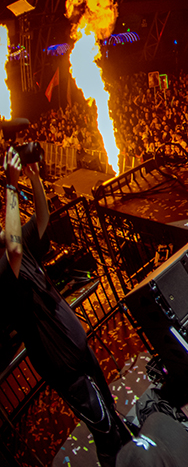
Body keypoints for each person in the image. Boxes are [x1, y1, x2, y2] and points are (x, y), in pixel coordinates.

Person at [1, 146, 132, 466]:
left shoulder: (15, 242)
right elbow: (15, 250)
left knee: (110, 411)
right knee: (103, 428)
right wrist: (11, 186)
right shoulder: (3, 262)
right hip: (60, 362)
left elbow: (43, 218)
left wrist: (34, 178)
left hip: (78, 348)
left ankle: (131, 449)